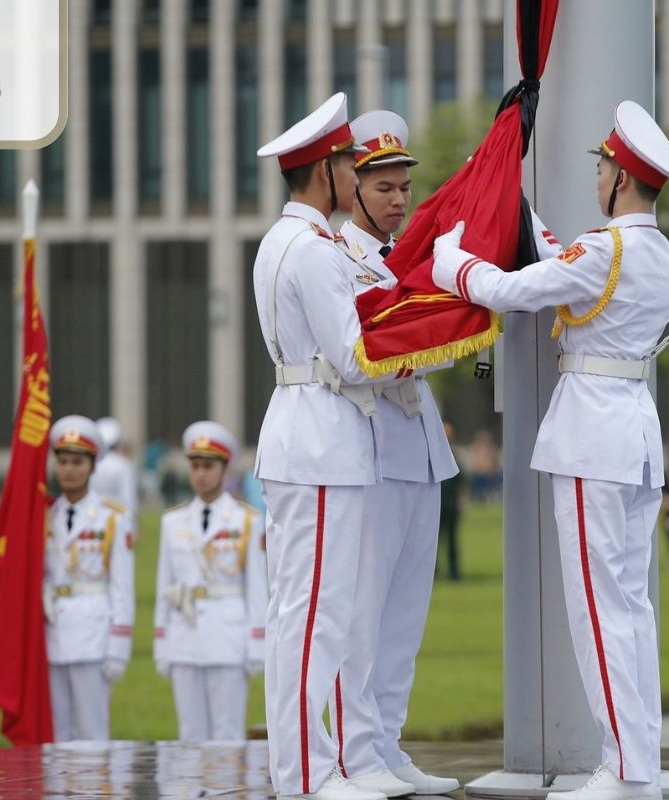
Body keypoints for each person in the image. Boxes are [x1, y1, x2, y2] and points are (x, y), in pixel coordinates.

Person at [432, 99, 669, 800]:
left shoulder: (607, 250)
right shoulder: (656, 253)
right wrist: (535, 231)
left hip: (592, 439)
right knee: (631, 610)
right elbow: (565, 265)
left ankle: (626, 771)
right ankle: (640, 757)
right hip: (632, 432)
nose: (598, 175)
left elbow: (513, 289)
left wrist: (452, 263)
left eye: (605, 166)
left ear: (622, 179)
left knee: (598, 609)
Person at [252, 92, 387, 800]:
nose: (354, 174)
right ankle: (307, 774)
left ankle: (312, 765)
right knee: (315, 616)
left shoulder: (285, 241)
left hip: (303, 429)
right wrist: (422, 337)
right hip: (321, 439)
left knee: (306, 613)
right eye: (346, 163)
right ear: (322, 171)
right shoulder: (314, 251)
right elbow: (356, 356)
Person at [331, 109, 460, 796]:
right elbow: (371, 348)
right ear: (352, 185)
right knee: (364, 613)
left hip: (418, 446)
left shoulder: (408, 257)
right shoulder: (338, 257)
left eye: (405, 186)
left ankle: (388, 743)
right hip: (371, 444)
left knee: (405, 614)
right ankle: (355, 754)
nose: (399, 199)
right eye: (384, 186)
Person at [154, 421, 267, 741]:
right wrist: (162, 640)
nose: (201, 474)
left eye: (208, 466)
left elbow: (257, 587)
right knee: (189, 733)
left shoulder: (247, 520)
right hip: (184, 636)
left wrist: (256, 643)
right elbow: (166, 585)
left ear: (224, 468)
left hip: (227, 637)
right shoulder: (172, 521)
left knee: (228, 734)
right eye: (195, 466)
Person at [44, 414, 135, 742]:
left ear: (93, 466)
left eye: (77, 462)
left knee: (93, 733)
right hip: (52, 633)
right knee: (58, 733)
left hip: (94, 634)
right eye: (63, 461)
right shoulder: (45, 515)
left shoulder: (112, 518)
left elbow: (122, 586)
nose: (69, 469)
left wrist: (118, 646)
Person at [91, 416, 140, 520]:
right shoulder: (123, 464)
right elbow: (129, 497)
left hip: (91, 516)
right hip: (117, 518)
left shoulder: (91, 462)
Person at [437, 421, 466, 582]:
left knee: (452, 540)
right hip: (438, 503)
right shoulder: (434, 454)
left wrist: (462, 501)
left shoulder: (455, 455)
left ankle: (454, 571)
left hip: (451, 503)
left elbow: (462, 481)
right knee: (434, 540)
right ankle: (434, 571)